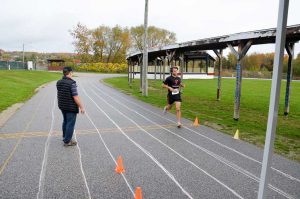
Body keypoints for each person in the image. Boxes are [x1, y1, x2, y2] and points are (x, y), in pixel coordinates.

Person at [56, 67, 85, 146]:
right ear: (70, 73)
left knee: (65, 121)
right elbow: (75, 97)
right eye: (72, 73)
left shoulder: (59, 82)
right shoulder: (72, 83)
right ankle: (67, 141)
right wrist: (81, 107)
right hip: (70, 107)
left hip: (62, 106)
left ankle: (65, 137)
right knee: (70, 123)